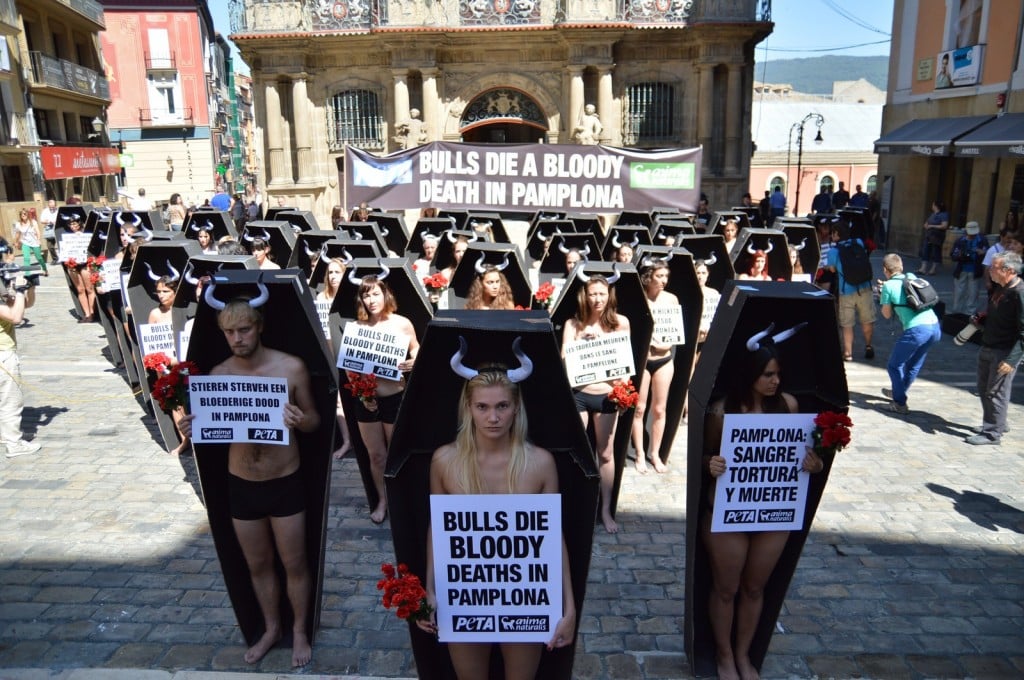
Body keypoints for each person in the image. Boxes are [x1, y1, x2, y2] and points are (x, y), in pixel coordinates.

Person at [179, 298, 320, 666]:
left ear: (259, 328)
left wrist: (299, 419)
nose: (237, 338)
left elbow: (316, 422)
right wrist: (192, 427)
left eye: (244, 330)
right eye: (229, 332)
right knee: (257, 564)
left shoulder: (290, 368)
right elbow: (213, 429)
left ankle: (301, 629)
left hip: (285, 480)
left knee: (295, 563)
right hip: (241, 482)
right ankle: (272, 628)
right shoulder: (219, 374)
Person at [416, 356, 576, 678]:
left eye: (502, 406)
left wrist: (568, 606)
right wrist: (430, 589)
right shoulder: (444, 461)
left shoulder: (540, 463)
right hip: (463, 596)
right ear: (468, 408)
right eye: (483, 407)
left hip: (524, 599)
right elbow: (439, 528)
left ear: (516, 408)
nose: (493, 417)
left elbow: (552, 536)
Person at [702, 337, 824, 680]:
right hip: (727, 512)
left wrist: (814, 465)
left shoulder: (789, 405)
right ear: (750, 374)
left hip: (772, 512)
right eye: (768, 374)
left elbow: (799, 453)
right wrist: (709, 463)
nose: (775, 381)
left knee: (755, 587)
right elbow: (704, 454)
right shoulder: (722, 411)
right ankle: (724, 656)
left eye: (778, 374)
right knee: (726, 588)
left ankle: (743, 655)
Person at [563, 275, 631, 533]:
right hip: (580, 392)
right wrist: (583, 342)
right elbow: (564, 358)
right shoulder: (573, 324)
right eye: (593, 293)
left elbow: (626, 363)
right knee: (579, 450)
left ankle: (605, 509)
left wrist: (623, 393)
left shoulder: (620, 323)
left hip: (606, 395)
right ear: (585, 295)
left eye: (602, 293)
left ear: (609, 295)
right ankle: (578, 506)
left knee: (605, 452)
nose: (598, 299)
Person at [351, 275, 419, 522]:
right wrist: (363, 394)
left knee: (396, 453)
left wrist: (414, 361)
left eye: (375, 294)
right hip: (367, 401)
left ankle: (404, 499)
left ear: (385, 294)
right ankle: (383, 500)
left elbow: (417, 349)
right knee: (376, 455)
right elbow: (351, 368)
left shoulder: (402, 323)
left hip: (395, 397)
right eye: (366, 295)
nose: (371, 300)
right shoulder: (358, 328)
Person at [966, 251, 1024, 445]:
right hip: (988, 345)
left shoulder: (1019, 293)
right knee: (984, 389)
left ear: (1008, 270)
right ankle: (997, 422)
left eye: (994, 267)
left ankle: (992, 434)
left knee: (996, 392)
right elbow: (996, 315)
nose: (989, 270)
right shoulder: (1000, 288)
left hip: (1004, 351)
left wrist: (1012, 360)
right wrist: (981, 320)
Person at [878, 254, 941, 414]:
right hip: (934, 327)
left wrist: (883, 294)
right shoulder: (911, 277)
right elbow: (902, 287)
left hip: (917, 330)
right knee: (913, 365)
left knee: (894, 365)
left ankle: (899, 403)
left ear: (885, 270)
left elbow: (886, 314)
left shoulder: (887, 287)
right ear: (901, 267)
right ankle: (898, 392)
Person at [631, 260, 677, 474]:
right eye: (659, 276)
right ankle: (639, 453)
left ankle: (655, 453)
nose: (664, 281)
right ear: (649, 277)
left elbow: (676, 330)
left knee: (659, 409)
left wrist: (666, 343)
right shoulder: (640, 298)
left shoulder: (671, 299)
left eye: (666, 276)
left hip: (664, 358)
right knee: (639, 408)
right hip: (644, 359)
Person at [0, 272, 40, 458]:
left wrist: (28, 288)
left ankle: (5, 434)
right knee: (11, 401)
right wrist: (21, 289)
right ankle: (14, 444)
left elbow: (23, 305)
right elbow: (16, 317)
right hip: (3, 353)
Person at [316, 258, 353, 461]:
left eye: (337, 272)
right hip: (329, 358)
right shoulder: (321, 298)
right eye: (330, 272)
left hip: (348, 355)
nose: (333, 276)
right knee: (338, 402)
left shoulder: (350, 298)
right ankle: (347, 441)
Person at [828, 227, 876, 361]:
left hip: (846, 291)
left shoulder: (833, 251)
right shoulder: (858, 243)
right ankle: (868, 346)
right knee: (867, 320)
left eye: (833, 233)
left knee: (847, 324)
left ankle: (848, 353)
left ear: (837, 234)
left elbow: (832, 270)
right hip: (865, 287)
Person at [62, 217, 97, 323]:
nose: (72, 226)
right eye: (70, 225)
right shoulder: (67, 238)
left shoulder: (85, 236)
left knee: (90, 289)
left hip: (84, 263)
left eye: (74, 224)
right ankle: (86, 314)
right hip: (72, 264)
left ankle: (92, 313)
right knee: (80, 289)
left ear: (79, 224)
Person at [951, 221, 988, 315]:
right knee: (959, 294)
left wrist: (982, 252)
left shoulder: (982, 240)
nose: (972, 235)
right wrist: (959, 255)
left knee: (973, 294)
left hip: (975, 271)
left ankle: (969, 315)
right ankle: (957, 313)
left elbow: (988, 252)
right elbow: (953, 255)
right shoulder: (960, 241)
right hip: (962, 270)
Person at [12, 208, 47, 276]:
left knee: (39, 257)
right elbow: (17, 234)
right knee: (26, 258)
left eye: (25, 214)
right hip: (25, 242)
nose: (23, 215)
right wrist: (16, 242)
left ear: (27, 214)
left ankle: (44, 269)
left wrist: (38, 240)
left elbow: (37, 231)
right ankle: (27, 274)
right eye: (22, 214)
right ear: (20, 215)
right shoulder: (18, 224)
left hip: (34, 242)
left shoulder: (33, 222)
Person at [920, 200, 949, 275]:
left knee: (936, 251)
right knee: (925, 250)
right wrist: (926, 225)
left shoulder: (943, 214)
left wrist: (932, 226)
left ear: (936, 206)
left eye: (933, 205)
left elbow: (944, 226)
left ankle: (933, 269)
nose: (932, 206)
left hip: (937, 235)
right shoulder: (933, 214)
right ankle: (923, 268)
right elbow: (927, 222)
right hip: (929, 235)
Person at [39, 198, 59, 264]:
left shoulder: (58, 210)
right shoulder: (45, 211)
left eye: (53, 206)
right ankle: (55, 258)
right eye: (50, 206)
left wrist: (56, 222)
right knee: (50, 246)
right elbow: (42, 220)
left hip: (58, 228)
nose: (52, 207)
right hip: (49, 229)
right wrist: (48, 221)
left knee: (61, 244)